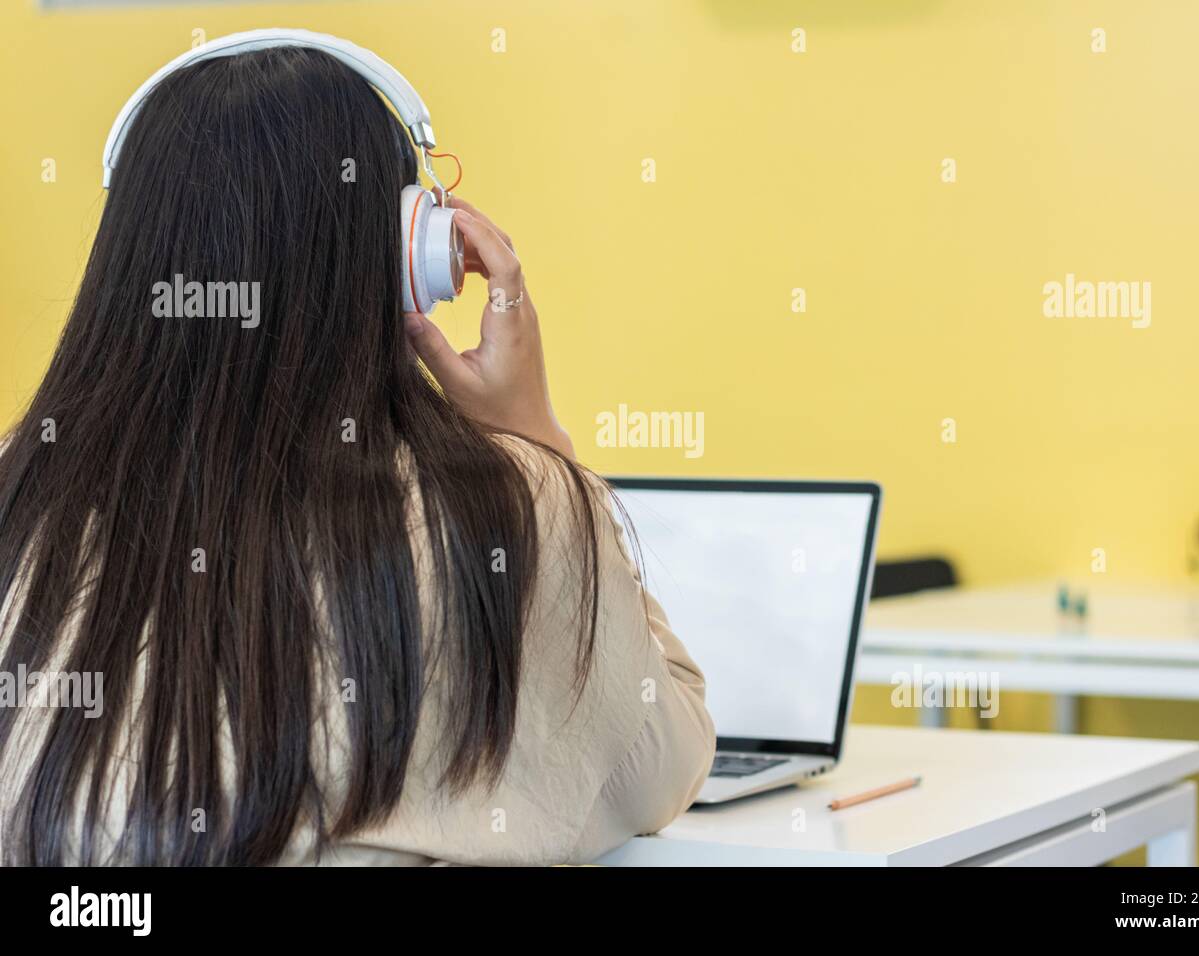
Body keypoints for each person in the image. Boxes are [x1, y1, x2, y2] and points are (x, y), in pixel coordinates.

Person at [0, 44, 713, 866]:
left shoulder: (22, 496)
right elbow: (663, 754)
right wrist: (537, 439)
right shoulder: (507, 508)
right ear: (414, 253)